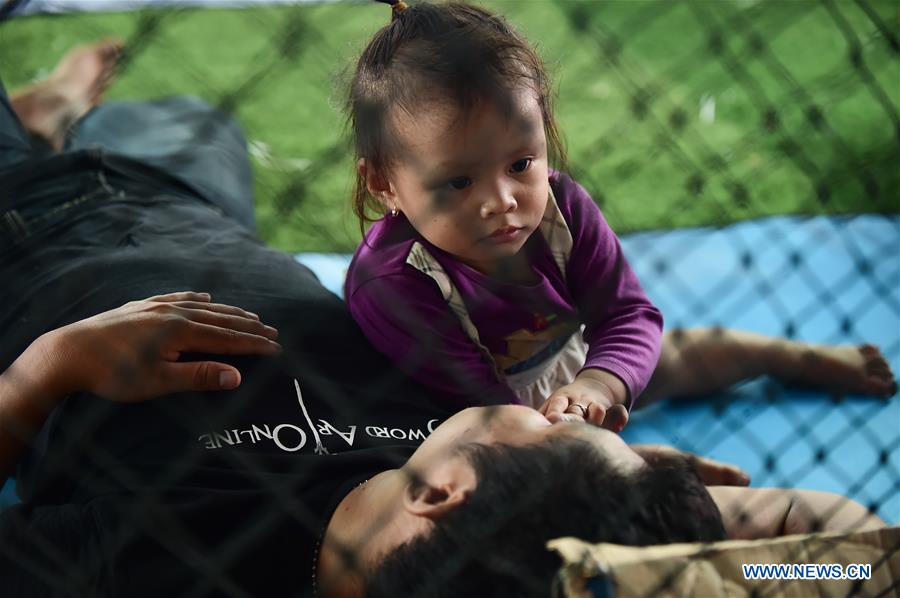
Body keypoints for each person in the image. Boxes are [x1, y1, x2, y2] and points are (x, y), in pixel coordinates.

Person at [0, 39, 887, 598]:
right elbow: (861, 555)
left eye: (561, 437)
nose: (558, 419)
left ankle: (41, 120)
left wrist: (46, 371)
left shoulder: (159, 559)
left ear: (443, 492)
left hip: (23, 250)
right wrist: (666, 559)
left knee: (171, 117)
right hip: (195, 211)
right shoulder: (518, 545)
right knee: (194, 126)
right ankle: (56, 114)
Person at [344, 0, 896, 432]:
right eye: (458, 181)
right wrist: (572, 434)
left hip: (574, 374)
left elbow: (629, 317)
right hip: (472, 424)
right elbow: (482, 414)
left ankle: (789, 355)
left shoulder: (562, 208)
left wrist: (599, 387)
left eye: (520, 163)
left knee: (685, 354)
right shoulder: (392, 282)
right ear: (384, 184)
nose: (502, 201)